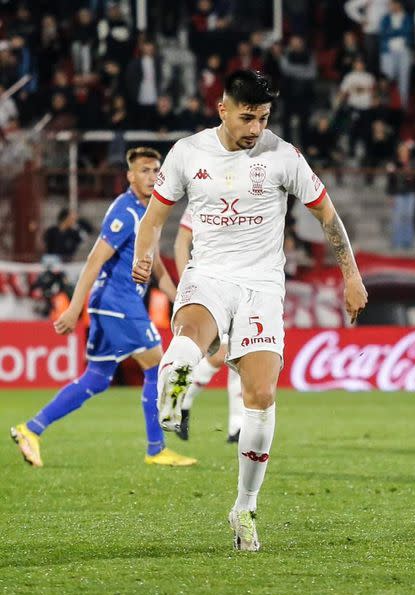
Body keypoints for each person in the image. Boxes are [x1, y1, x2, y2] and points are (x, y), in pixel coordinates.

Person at [132, 70, 368, 551]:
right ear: (222, 109)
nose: (255, 128)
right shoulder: (188, 153)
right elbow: (154, 219)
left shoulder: (283, 156)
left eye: (263, 118)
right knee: (186, 342)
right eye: (246, 117)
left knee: (261, 395)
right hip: (209, 275)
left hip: (262, 287)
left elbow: (326, 212)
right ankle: (172, 401)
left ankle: (244, 508)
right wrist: (143, 255)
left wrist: (351, 274)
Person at [10, 148, 196, 469]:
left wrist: (182, 300)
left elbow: (158, 270)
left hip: (117, 304)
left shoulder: (150, 211)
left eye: (156, 171)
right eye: (145, 171)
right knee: (157, 364)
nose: (153, 177)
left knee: (96, 378)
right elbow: (94, 260)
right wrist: (72, 309)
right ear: (130, 176)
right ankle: (156, 449)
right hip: (116, 302)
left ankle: (31, 429)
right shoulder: (126, 212)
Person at [173, 208, 243, 443]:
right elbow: (182, 241)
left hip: (246, 285)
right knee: (218, 354)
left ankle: (237, 427)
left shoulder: (251, 198)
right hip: (210, 286)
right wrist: (187, 283)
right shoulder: (203, 196)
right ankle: (183, 399)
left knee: (241, 357)